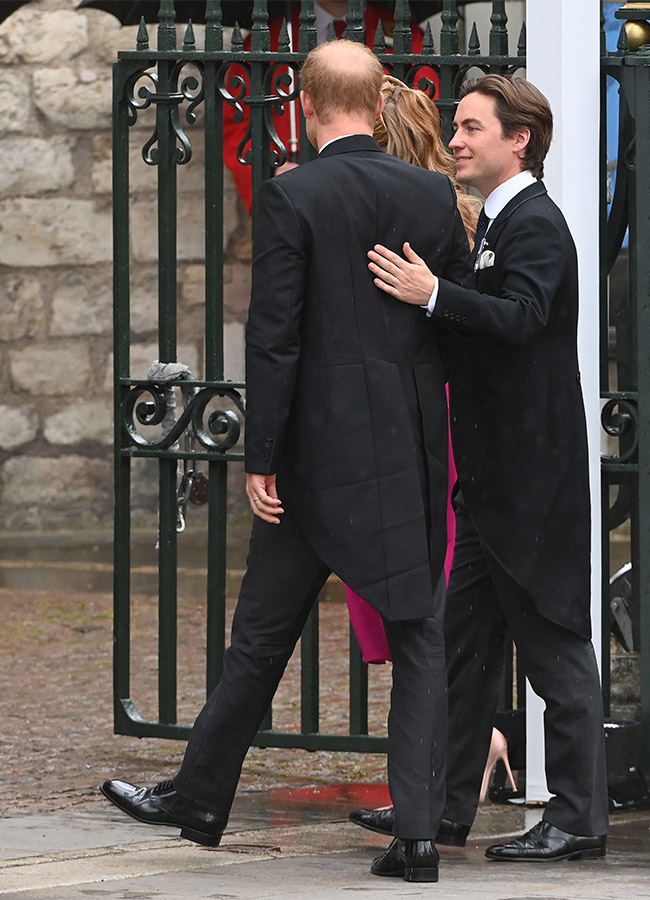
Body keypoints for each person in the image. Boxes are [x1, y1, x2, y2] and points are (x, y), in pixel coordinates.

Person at [101, 39, 471, 884]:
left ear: (305, 105)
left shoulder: (291, 194)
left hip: (311, 463)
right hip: (405, 452)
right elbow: (446, 325)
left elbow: (275, 337)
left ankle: (197, 797)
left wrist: (260, 457)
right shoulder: (428, 193)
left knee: (261, 639)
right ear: (378, 103)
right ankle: (417, 838)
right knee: (418, 637)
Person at [351, 74, 609, 862]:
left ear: (518, 139)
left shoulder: (536, 225)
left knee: (557, 648)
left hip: (532, 487)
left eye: (469, 128)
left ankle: (579, 820)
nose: (455, 140)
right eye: (457, 128)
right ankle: (439, 809)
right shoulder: (498, 224)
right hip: (491, 489)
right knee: (459, 653)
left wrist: (435, 296)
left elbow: (524, 318)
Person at [345, 75, 479, 665]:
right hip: (443, 403)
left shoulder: (357, 214)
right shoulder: (459, 214)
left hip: (408, 408)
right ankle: (469, 736)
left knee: (414, 569)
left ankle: (470, 738)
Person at [223, 1, 435, 212]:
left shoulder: (406, 35)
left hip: (384, 195)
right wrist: (269, 168)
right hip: (297, 195)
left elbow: (427, 114)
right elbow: (235, 120)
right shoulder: (267, 38)